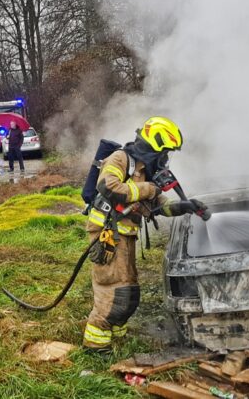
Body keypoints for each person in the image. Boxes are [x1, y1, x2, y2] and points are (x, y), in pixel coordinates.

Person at [82, 117, 211, 354]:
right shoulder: (120, 159)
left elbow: (159, 206)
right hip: (107, 234)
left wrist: (186, 206)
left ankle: (113, 333)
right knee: (114, 288)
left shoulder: (145, 171)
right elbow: (108, 186)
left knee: (129, 291)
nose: (166, 159)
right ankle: (95, 346)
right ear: (154, 146)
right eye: (165, 152)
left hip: (125, 235)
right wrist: (150, 189)